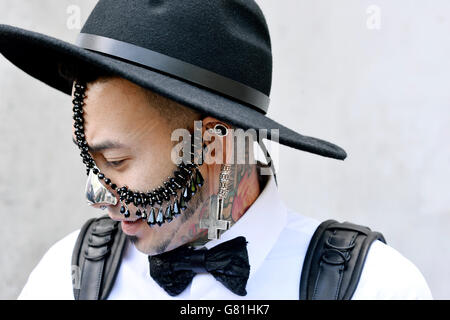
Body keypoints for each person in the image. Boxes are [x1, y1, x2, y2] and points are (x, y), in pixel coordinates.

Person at [0, 0, 432, 300]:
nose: (95, 194)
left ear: (213, 145)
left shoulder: (374, 286)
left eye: (116, 161)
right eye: (91, 160)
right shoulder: (68, 276)